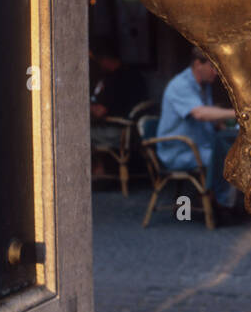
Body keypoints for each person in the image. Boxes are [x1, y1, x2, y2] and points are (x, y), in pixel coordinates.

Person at [156, 48, 239, 211]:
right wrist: (238, 113)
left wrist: (220, 123)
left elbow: (206, 114)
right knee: (228, 160)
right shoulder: (180, 85)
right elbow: (200, 113)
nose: (216, 72)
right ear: (197, 64)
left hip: (199, 146)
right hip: (178, 151)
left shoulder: (203, 85)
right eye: (213, 67)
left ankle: (223, 200)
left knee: (235, 153)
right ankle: (221, 205)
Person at [90, 37, 148, 175]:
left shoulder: (115, 80)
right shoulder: (134, 74)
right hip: (134, 131)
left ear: (105, 59)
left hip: (118, 132)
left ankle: (97, 170)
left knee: (78, 135)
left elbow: (99, 112)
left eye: (98, 61)